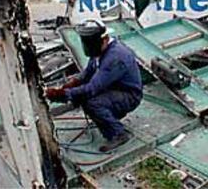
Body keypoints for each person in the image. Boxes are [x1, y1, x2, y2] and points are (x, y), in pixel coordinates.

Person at [46, 19, 143, 152]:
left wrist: (63, 94)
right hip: (115, 88)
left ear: (104, 39)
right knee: (85, 98)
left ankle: (119, 133)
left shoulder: (115, 57)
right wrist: (71, 84)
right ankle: (107, 120)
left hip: (129, 95)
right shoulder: (99, 49)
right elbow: (88, 72)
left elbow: (92, 88)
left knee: (92, 102)